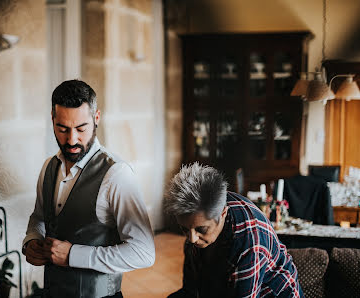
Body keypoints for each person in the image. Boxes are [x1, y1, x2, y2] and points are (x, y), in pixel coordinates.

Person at [22, 79, 155, 298]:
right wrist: (32, 240)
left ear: (96, 119)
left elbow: (143, 253)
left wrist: (74, 255)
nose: (72, 139)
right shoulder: (48, 167)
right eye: (62, 128)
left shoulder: (117, 174)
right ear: (52, 120)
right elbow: (39, 217)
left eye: (81, 128)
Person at [164, 163, 303, 298]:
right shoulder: (202, 215)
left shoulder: (249, 241)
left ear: (223, 213)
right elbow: (192, 290)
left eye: (201, 229)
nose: (192, 238)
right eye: (185, 229)